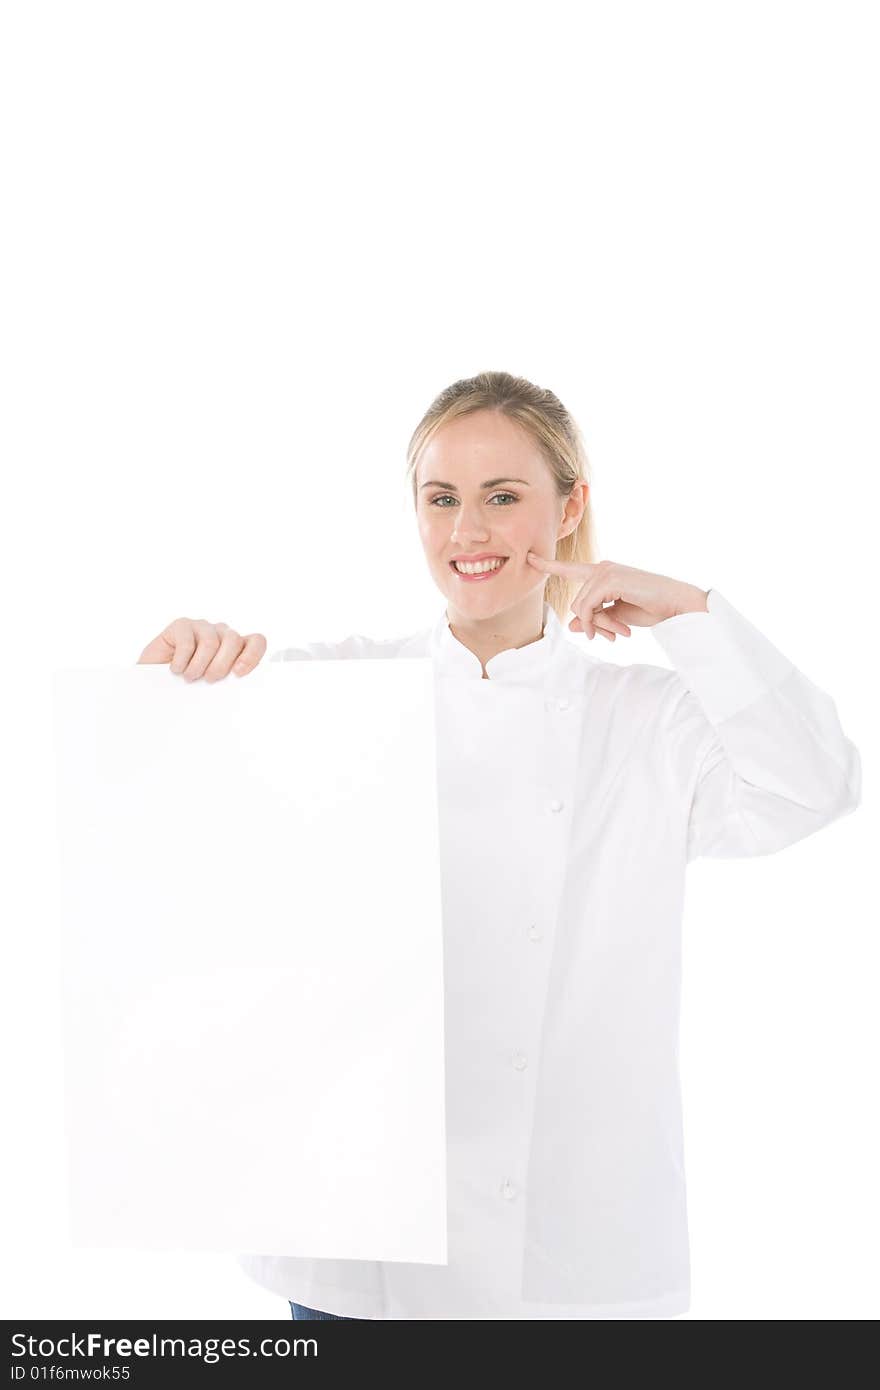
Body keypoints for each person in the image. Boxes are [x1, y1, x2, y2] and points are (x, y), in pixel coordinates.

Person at [138, 370, 862, 1320]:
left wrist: (687, 610)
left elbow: (818, 784)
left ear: (571, 510)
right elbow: (161, 810)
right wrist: (169, 671)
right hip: (361, 1249)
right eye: (441, 500)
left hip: (574, 1252)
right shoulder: (338, 694)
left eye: (503, 497)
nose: (467, 532)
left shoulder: (646, 719)